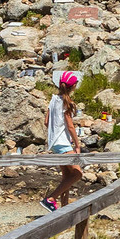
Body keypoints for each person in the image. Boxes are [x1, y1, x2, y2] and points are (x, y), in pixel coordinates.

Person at [43, 69, 84, 211]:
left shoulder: (53, 100)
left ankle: (64, 207)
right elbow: (71, 126)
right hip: (63, 143)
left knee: (67, 176)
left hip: (53, 142)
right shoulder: (67, 103)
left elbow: (46, 121)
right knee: (77, 173)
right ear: (73, 87)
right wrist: (77, 145)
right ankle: (50, 198)